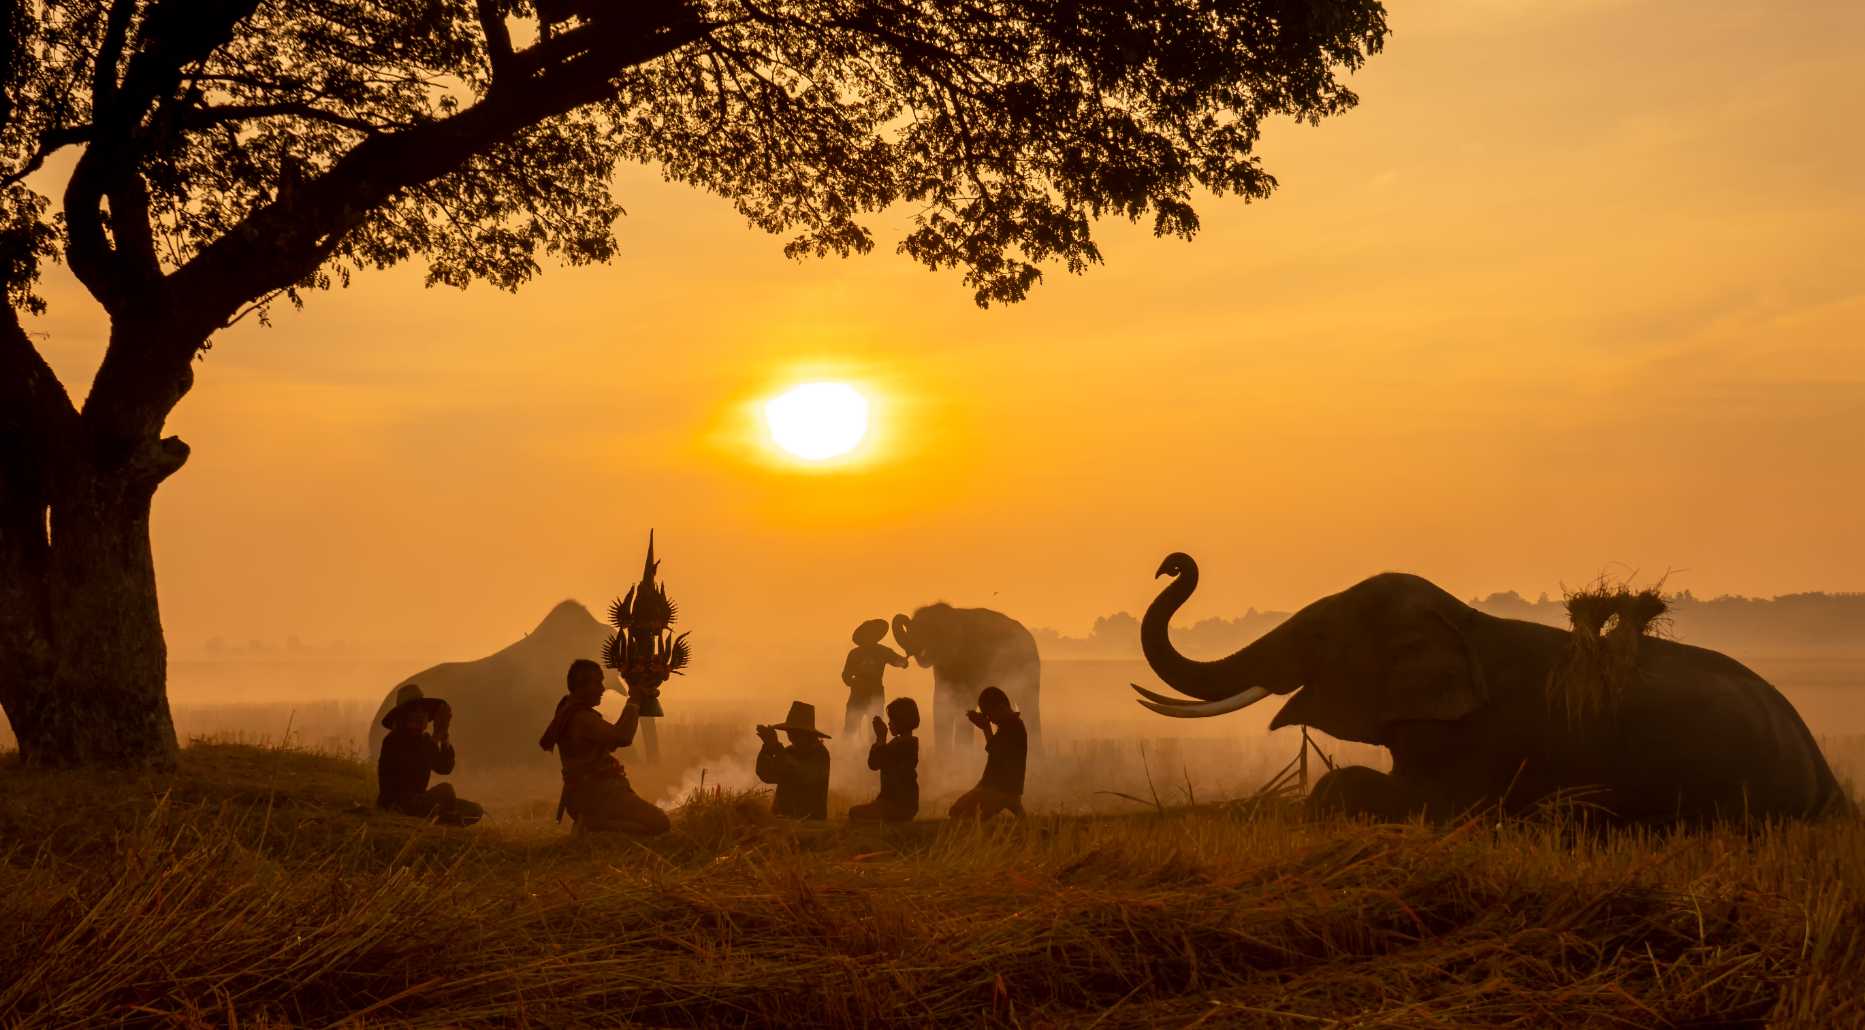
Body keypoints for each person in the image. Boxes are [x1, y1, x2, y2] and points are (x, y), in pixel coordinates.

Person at [538, 658, 671, 836]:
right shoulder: (582, 718)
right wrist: (634, 701)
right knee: (660, 823)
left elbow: (609, 740)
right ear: (581, 686)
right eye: (597, 683)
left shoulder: (568, 709)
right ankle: (594, 827)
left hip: (586, 795)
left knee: (643, 824)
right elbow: (622, 737)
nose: (602, 689)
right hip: (598, 795)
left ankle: (596, 826)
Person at [376, 684, 483, 825]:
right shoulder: (394, 740)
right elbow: (416, 765)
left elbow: (444, 768)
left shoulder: (424, 740)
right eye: (414, 712)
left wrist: (444, 738)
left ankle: (443, 818)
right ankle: (445, 819)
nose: (421, 716)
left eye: (423, 712)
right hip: (397, 803)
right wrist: (435, 738)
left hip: (420, 800)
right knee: (445, 791)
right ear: (404, 717)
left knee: (475, 810)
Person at [948, 686, 1027, 821]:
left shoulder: (1012, 725)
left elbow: (996, 753)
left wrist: (985, 728)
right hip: (1003, 788)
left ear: (1001, 708)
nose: (989, 719)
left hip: (1000, 790)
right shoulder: (1011, 724)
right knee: (964, 811)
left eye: (989, 714)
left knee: (958, 812)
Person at [755, 700, 832, 820]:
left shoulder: (820, 754)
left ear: (808, 734)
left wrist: (776, 747)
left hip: (809, 820)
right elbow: (766, 775)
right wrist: (767, 747)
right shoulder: (789, 751)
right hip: (782, 818)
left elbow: (801, 774)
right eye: (790, 732)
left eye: (796, 732)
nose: (791, 736)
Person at [848, 696, 920, 823]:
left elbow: (878, 763)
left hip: (898, 804)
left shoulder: (906, 746)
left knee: (854, 813)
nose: (889, 723)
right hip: (894, 803)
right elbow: (874, 764)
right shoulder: (900, 743)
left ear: (901, 721)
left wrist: (881, 738)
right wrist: (880, 739)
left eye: (892, 720)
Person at [842, 618, 909, 737]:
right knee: (851, 730)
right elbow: (846, 676)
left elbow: (898, 661)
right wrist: (855, 683)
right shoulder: (856, 654)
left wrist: (903, 662)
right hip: (860, 695)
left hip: (873, 695)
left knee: (875, 731)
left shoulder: (882, 651)